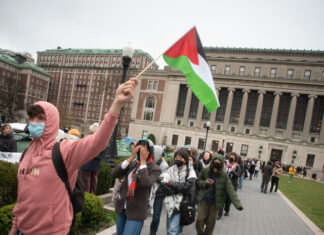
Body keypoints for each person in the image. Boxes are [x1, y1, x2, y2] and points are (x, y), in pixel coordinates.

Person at [9, 77, 138, 235]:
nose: (34, 122)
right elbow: (22, 197)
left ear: (52, 122)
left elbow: (96, 142)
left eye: (41, 118)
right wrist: (15, 227)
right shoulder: (26, 153)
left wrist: (116, 105)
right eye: (32, 118)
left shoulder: (63, 151)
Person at [112, 139, 161, 235]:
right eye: (139, 149)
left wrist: (143, 162)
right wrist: (131, 157)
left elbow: (146, 183)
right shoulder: (133, 164)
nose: (140, 152)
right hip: (122, 207)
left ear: (149, 152)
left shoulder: (154, 169)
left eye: (143, 150)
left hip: (136, 212)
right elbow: (115, 173)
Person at [196, 153, 243, 235]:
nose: (217, 162)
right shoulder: (206, 170)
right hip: (204, 200)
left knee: (210, 225)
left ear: (221, 163)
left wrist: (237, 204)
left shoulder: (224, 175)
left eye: (219, 161)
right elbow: (198, 181)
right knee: (199, 220)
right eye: (215, 160)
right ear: (212, 161)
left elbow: (230, 189)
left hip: (215, 203)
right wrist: (205, 183)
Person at [159, 148, 196, 235]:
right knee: (169, 230)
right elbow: (163, 185)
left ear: (185, 159)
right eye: (176, 157)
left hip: (182, 204)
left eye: (180, 158)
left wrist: (171, 183)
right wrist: (173, 187)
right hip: (169, 203)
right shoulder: (170, 170)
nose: (178, 159)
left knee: (172, 231)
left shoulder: (190, 172)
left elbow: (187, 188)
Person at [149, 145, 169, 235]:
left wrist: (153, 177)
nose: (151, 154)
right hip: (147, 191)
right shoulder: (148, 162)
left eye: (153, 153)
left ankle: (153, 231)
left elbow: (164, 179)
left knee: (156, 215)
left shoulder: (164, 165)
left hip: (159, 193)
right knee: (142, 212)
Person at [81, 122, 104, 194]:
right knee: (94, 182)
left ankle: (87, 196)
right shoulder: (102, 140)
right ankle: (92, 195)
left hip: (87, 164)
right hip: (96, 164)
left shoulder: (89, 138)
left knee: (86, 182)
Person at [219, 152, 241, 217]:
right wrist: (225, 168)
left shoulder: (237, 166)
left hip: (232, 185)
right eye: (230, 157)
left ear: (235, 158)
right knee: (222, 198)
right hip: (224, 184)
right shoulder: (225, 164)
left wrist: (232, 170)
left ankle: (227, 210)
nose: (231, 158)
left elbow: (237, 175)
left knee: (228, 200)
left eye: (233, 157)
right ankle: (219, 213)